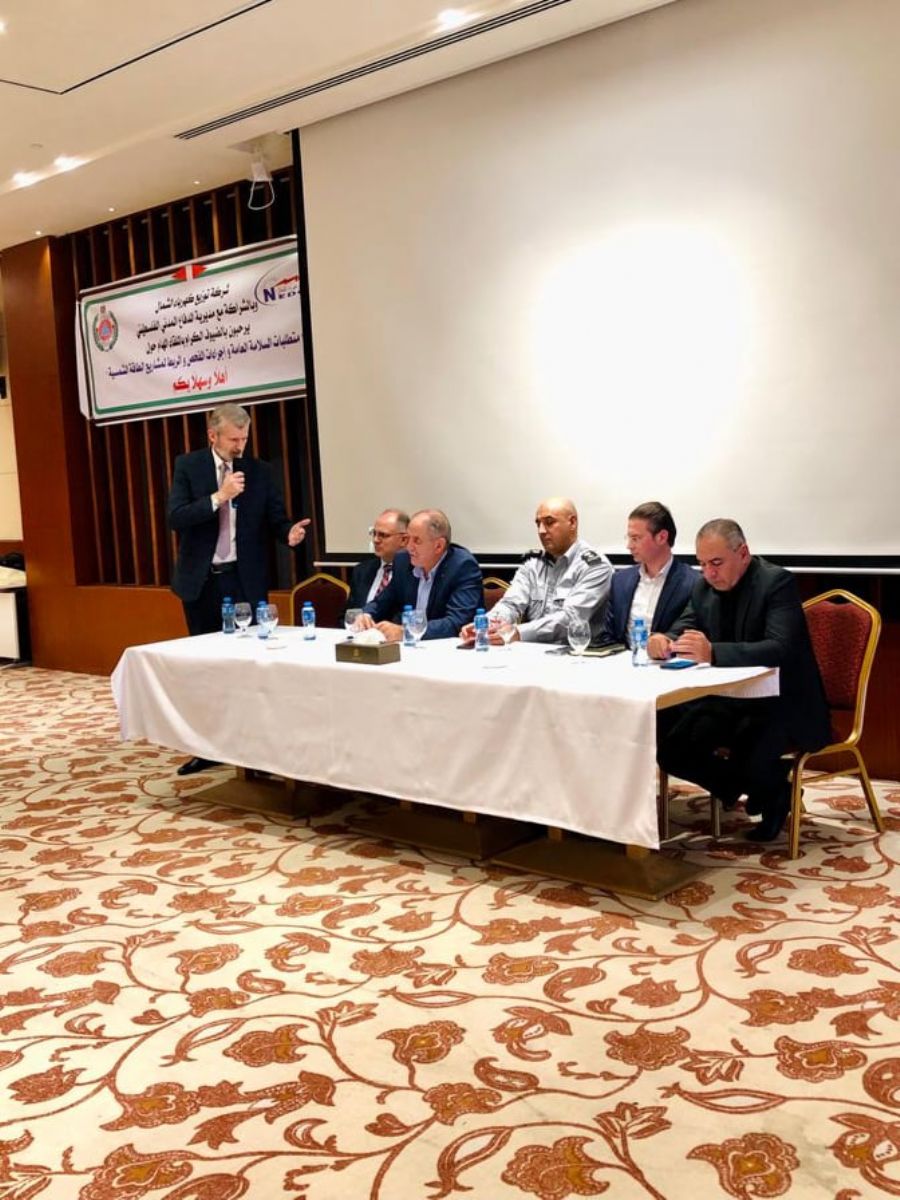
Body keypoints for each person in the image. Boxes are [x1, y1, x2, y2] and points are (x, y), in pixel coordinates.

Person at [649, 518, 829, 842]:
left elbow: (780, 648)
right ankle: (773, 789)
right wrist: (664, 639)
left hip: (782, 702)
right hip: (728, 699)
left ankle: (764, 787)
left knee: (750, 751)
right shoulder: (703, 587)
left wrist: (713, 652)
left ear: (743, 553)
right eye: (702, 563)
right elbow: (684, 626)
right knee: (672, 748)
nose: (708, 573)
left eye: (716, 563)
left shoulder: (776, 582)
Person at [167, 403, 310, 774]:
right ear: (212, 435)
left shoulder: (259, 471)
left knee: (249, 668)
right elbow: (176, 517)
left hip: (244, 580)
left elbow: (276, 518)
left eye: (244, 438)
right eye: (233, 439)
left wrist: (289, 533)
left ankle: (254, 749)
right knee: (206, 668)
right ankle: (208, 747)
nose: (239, 446)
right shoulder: (189, 466)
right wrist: (219, 497)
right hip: (202, 581)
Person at [460, 497, 611, 645]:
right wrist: (485, 624)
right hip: (533, 651)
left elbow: (571, 618)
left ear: (572, 522)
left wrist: (518, 633)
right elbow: (510, 604)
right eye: (538, 524)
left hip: (578, 653)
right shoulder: (533, 565)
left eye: (549, 522)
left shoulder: (595, 566)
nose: (541, 531)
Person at [357, 509, 481, 641]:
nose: (409, 547)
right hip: (409, 647)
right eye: (408, 539)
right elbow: (383, 600)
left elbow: (456, 622)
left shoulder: (462, 566)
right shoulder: (403, 560)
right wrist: (367, 614)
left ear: (438, 546)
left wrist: (406, 631)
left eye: (416, 541)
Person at [597, 501, 695, 647]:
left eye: (636, 538)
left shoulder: (692, 583)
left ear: (662, 537)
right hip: (623, 658)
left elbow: (687, 634)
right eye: (629, 538)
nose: (629, 546)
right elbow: (608, 635)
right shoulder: (620, 581)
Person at [346, 510, 410, 609]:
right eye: (374, 533)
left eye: (383, 535)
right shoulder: (361, 571)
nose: (375, 540)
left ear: (403, 540)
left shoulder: (414, 573)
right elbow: (348, 613)